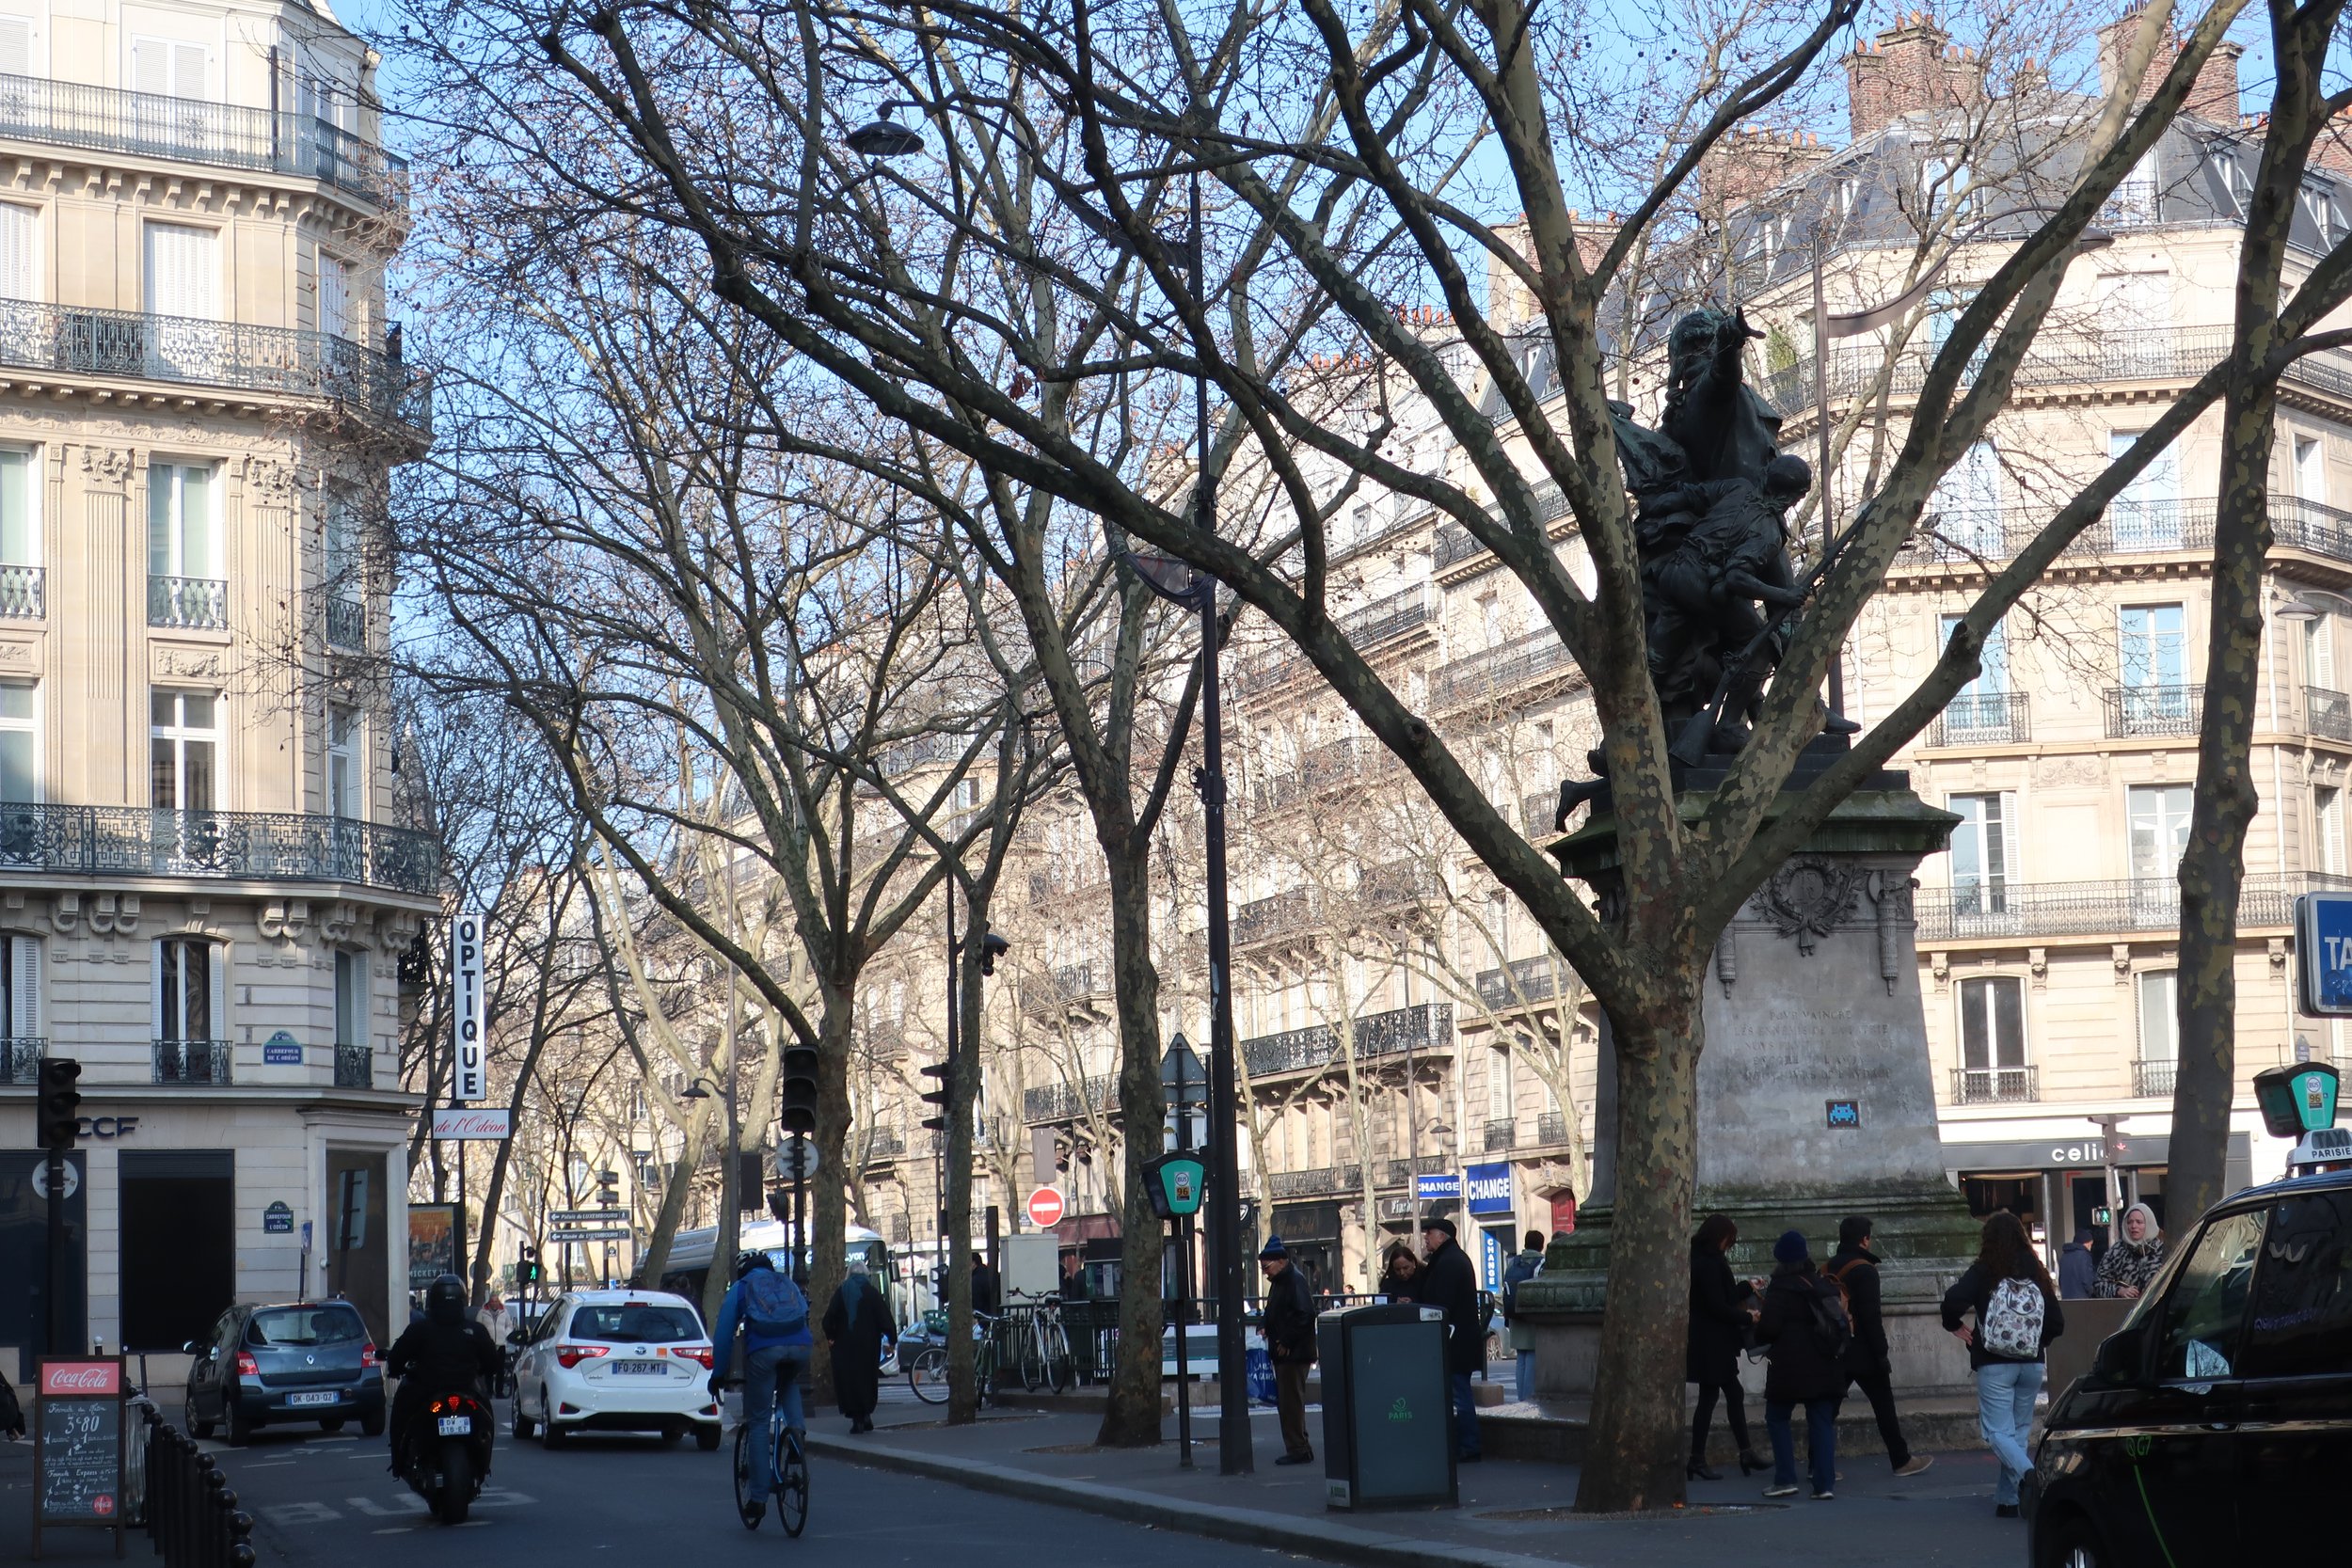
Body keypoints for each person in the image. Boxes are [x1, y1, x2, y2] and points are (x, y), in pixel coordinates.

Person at [1941, 1211, 2065, 1519]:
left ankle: (2028, 1476)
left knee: (1997, 1432)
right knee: (2019, 1431)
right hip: (2032, 1364)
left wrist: (1954, 1325)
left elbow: (1953, 1301)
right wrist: (2035, 1344)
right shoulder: (2038, 1271)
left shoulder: (1984, 1269)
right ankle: (2009, 1501)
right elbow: (2056, 1323)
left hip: (1994, 1362)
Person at [1826, 1216, 1932, 1478]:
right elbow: (1871, 1316)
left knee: (1828, 1408)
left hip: (1835, 1349)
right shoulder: (1864, 1269)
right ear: (1865, 1239)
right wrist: (1881, 1352)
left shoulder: (1827, 1267)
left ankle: (1818, 1462)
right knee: (1884, 1406)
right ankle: (1901, 1459)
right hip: (1863, 1350)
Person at [711, 1249, 814, 1514]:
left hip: (765, 1350)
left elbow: (723, 1336)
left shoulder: (741, 1288)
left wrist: (718, 1374)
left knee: (757, 1422)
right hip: (801, 1346)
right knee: (789, 1382)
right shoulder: (787, 1283)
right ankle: (796, 1437)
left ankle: (758, 1499)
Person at [1756, 1230, 1846, 1500]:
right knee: (1820, 1421)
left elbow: (1768, 1329)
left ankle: (1785, 1478)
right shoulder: (1819, 1284)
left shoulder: (1780, 1288)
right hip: (1825, 1364)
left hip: (1789, 1367)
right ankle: (1824, 1483)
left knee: (1777, 1417)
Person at [382, 1274, 500, 1470]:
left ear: (433, 1300)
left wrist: (395, 1368)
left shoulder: (420, 1329)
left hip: (426, 1389)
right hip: (467, 1388)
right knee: (486, 1415)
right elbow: (492, 1362)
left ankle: (398, 1461)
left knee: (401, 1410)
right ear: (463, 1299)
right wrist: (485, 1371)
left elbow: (398, 1355)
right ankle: (483, 1463)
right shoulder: (475, 1330)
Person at [1687, 1213, 1764, 1480]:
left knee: (1719, 1396)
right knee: (1724, 1395)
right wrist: (1748, 1316)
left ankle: (1730, 1453)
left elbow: (1724, 1296)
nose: (1728, 1245)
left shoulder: (1705, 1260)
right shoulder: (1709, 1264)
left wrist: (1747, 1287)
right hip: (1712, 1342)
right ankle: (1734, 1453)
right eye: (1728, 1240)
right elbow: (1717, 1306)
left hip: (1711, 1341)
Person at [1416, 1217, 1485, 1463]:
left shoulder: (1448, 1262)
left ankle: (1468, 1444)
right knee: (1458, 1392)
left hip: (1455, 1341)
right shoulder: (1450, 1259)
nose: (1426, 1237)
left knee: (1459, 1393)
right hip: (1458, 1339)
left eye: (1429, 1233)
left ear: (1442, 1236)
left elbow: (1440, 1302)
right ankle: (1466, 1443)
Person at [1257, 1236, 1317, 1465]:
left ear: (1281, 1261)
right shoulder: (1285, 1281)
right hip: (1290, 1350)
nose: (1265, 1272)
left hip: (1293, 1353)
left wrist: (1287, 1342)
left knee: (1290, 1402)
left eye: (1266, 1267)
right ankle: (1299, 1446)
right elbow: (1276, 1311)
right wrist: (1265, 1324)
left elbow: (1305, 1314)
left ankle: (1298, 1448)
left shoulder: (1292, 1281)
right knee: (1290, 1401)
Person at [821, 1257, 897, 1434]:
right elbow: (886, 1318)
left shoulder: (842, 1291)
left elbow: (829, 1317)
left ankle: (856, 1419)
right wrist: (891, 1341)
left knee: (849, 1381)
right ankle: (866, 1415)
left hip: (844, 1346)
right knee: (867, 1379)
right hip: (868, 1346)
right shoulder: (872, 1292)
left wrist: (831, 1337)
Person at [1502, 1229, 1546, 1403]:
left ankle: (1521, 1397)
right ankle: (1528, 1398)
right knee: (1532, 1355)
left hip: (1514, 1313)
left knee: (1521, 1357)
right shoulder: (1541, 1263)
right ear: (1541, 1245)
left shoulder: (1513, 1262)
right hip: (1532, 1315)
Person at [2094, 1203, 2164, 1300]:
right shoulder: (2116, 1252)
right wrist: (2119, 1291)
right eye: (2130, 1222)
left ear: (2149, 1224)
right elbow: (2098, 1284)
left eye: (2139, 1222)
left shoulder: (2163, 1250)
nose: (2133, 1226)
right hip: (2124, 1311)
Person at [2058, 1227, 2100, 1299]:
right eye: (2091, 1243)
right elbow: (2087, 1280)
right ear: (2086, 1243)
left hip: (2066, 1298)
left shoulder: (2064, 1256)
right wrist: (2094, 1292)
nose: (2091, 1247)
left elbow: (2061, 1280)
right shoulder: (2084, 1256)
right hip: (2082, 1300)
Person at [970, 1252, 1002, 1316]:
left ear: (973, 1263)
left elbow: (976, 1302)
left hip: (983, 1315)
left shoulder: (975, 1279)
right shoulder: (991, 1274)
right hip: (997, 1312)